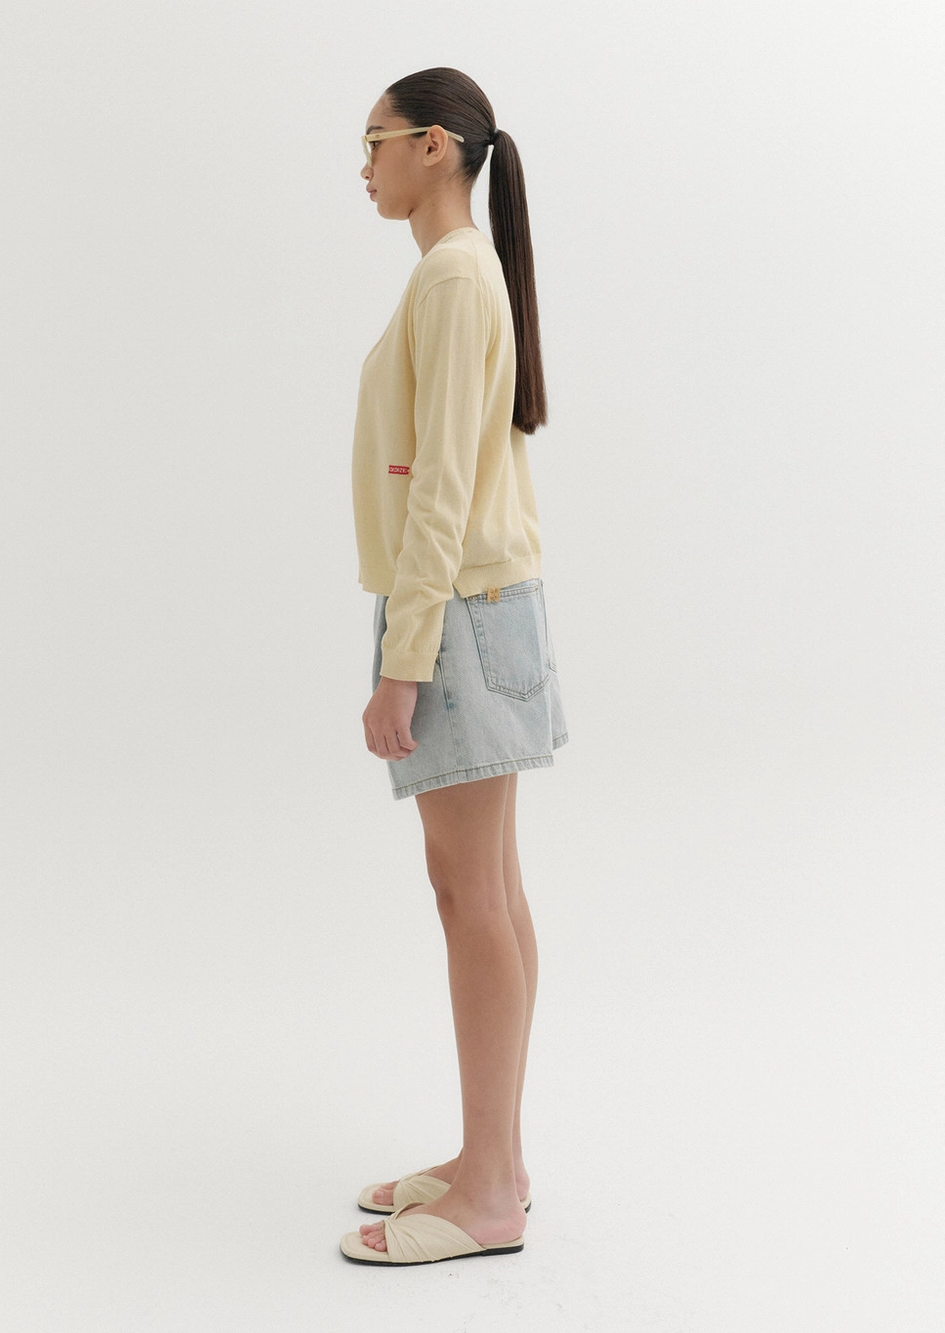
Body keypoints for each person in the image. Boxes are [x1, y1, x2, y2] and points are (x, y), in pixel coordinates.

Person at [340, 67, 568, 1267]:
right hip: (481, 607)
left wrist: (401, 659)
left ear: (434, 146)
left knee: (470, 896)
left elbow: (436, 493)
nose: (364, 167)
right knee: (488, 891)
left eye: (373, 142)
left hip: (459, 614)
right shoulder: (463, 274)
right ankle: (497, 1163)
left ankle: (487, 1195)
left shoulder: (450, 276)